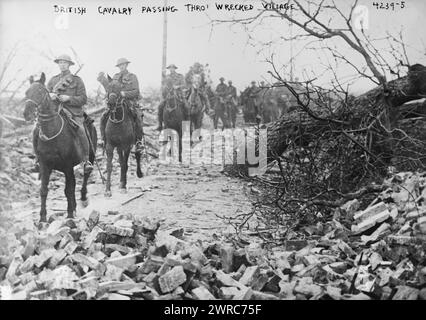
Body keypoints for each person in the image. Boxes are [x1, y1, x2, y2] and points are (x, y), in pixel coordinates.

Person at [35, 54, 93, 173]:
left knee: (81, 129)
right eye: (60, 63)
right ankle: (38, 158)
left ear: (69, 65)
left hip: (73, 111)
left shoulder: (77, 80)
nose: (62, 65)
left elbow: (83, 99)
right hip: (55, 111)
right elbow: (44, 98)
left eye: (64, 63)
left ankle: (86, 160)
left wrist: (69, 98)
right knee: (37, 129)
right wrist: (49, 95)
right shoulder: (53, 80)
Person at [100, 58, 144, 153]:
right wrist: (102, 80)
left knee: (138, 117)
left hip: (129, 102)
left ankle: (138, 142)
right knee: (103, 116)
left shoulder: (132, 77)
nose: (121, 66)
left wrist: (125, 94)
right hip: (116, 102)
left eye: (123, 64)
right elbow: (109, 89)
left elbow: (136, 91)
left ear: (126, 65)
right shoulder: (115, 77)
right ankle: (103, 139)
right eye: (120, 65)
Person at [156, 64, 186, 131]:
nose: (171, 69)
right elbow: (163, 86)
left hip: (179, 95)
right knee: (160, 106)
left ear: (175, 69)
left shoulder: (180, 76)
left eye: (172, 68)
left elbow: (184, 85)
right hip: (168, 96)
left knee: (186, 106)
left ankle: (187, 124)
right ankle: (160, 124)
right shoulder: (167, 77)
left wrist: (177, 86)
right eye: (170, 68)